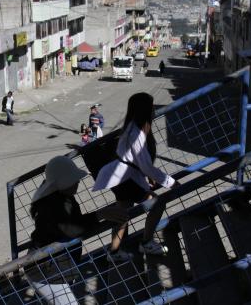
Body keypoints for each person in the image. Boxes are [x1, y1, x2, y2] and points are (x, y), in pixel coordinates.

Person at [26, 156, 129, 304]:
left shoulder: (57, 196)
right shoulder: (52, 205)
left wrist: (99, 215)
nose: (78, 181)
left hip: (55, 267)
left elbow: (71, 224)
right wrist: (99, 215)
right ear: (61, 182)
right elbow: (70, 228)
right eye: (72, 179)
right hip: (46, 272)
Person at [93, 93, 180, 262]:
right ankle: (146, 242)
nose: (154, 111)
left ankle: (114, 252)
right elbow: (145, 166)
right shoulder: (137, 133)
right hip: (125, 179)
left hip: (120, 177)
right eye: (151, 107)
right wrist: (172, 183)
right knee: (157, 203)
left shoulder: (131, 127)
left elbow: (139, 163)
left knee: (122, 214)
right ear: (144, 110)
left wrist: (149, 175)